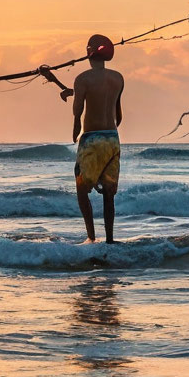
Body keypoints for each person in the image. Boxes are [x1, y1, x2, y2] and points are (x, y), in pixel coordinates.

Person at [71, 35, 124, 243]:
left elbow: (77, 112)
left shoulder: (82, 79)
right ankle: (109, 239)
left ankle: (91, 237)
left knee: (81, 189)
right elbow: (119, 115)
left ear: (88, 53)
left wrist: (75, 130)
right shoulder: (118, 78)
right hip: (113, 139)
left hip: (92, 139)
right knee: (109, 193)